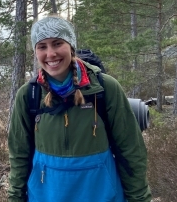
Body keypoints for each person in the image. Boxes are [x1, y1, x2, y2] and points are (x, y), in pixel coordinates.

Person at [8, 15, 152, 202]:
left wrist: (139, 198)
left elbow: (131, 151)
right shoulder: (29, 95)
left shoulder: (105, 88)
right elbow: (19, 156)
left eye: (57, 43)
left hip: (101, 195)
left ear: (71, 46)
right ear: (36, 52)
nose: (50, 54)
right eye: (42, 46)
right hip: (46, 196)